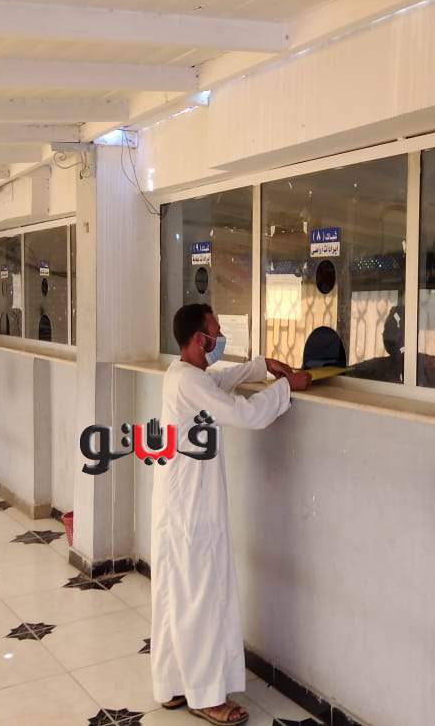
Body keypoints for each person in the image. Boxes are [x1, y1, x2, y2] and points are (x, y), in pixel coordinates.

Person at [151, 303, 312, 725]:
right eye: (216, 332)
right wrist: (287, 386)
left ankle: (172, 684)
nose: (220, 338)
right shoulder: (191, 383)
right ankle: (205, 695)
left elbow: (219, 381)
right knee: (200, 598)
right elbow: (247, 414)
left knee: (177, 596)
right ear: (199, 339)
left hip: (179, 507)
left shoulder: (181, 375)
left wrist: (261, 365)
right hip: (191, 512)